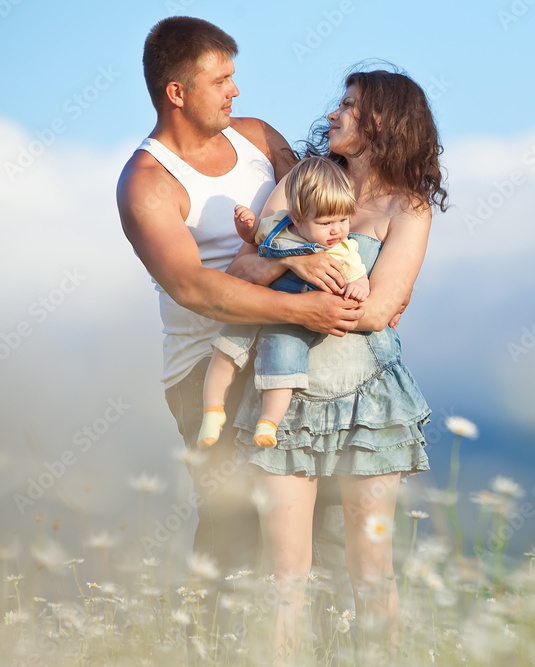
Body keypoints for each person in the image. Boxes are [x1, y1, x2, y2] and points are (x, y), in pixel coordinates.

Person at [114, 17, 360, 588]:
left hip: (294, 349)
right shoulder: (147, 182)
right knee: (235, 530)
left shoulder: (256, 136)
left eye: (234, 75)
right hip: (210, 366)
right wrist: (301, 304)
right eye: (221, 79)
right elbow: (192, 288)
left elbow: (322, 209)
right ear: (178, 93)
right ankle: (208, 646)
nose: (235, 90)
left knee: (318, 522)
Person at [232, 69, 448, 660]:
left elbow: (380, 308)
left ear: (381, 120)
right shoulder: (302, 180)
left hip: (370, 401)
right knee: (284, 570)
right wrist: (300, 264)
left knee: (371, 565)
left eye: (349, 106)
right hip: (287, 394)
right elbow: (244, 274)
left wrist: (297, 277)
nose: (333, 114)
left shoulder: (408, 207)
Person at [197, 156, 370, 449]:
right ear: (299, 219)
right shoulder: (279, 226)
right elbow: (255, 237)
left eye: (343, 220)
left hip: (293, 320)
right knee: (225, 352)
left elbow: (361, 276)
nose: (336, 230)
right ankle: (212, 411)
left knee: (283, 368)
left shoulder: (344, 250)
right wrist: (247, 227)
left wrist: (359, 287)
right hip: (256, 304)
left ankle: (268, 423)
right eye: (326, 223)